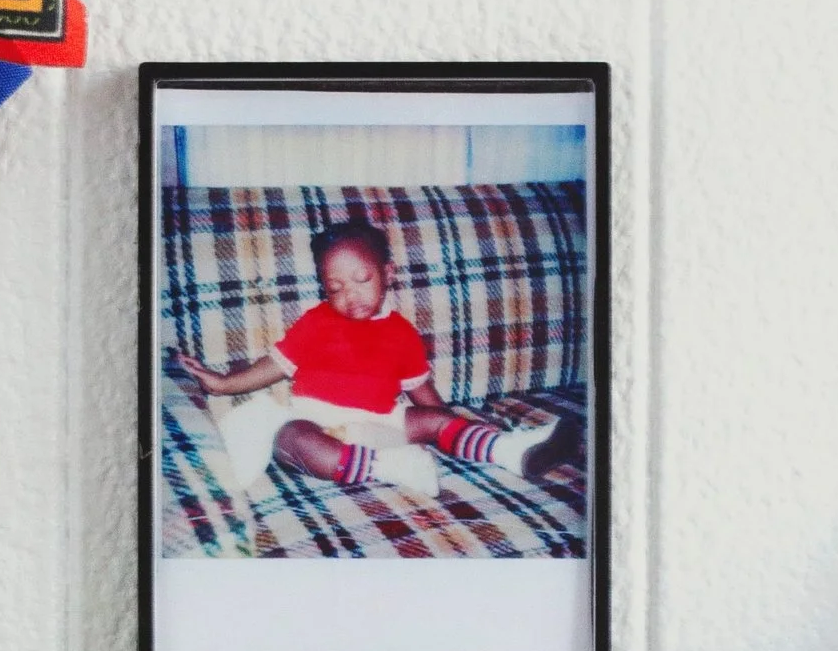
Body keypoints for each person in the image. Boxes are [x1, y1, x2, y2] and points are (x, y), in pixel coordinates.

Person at [168, 215, 574, 504]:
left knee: (436, 420)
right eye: (335, 287)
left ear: (387, 273)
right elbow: (272, 367)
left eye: (362, 280)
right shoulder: (316, 322)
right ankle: (388, 468)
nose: (350, 295)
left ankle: (511, 451)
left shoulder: (401, 333)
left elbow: (422, 392)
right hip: (320, 423)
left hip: (383, 423)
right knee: (293, 440)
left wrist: (455, 425)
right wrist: (221, 382)